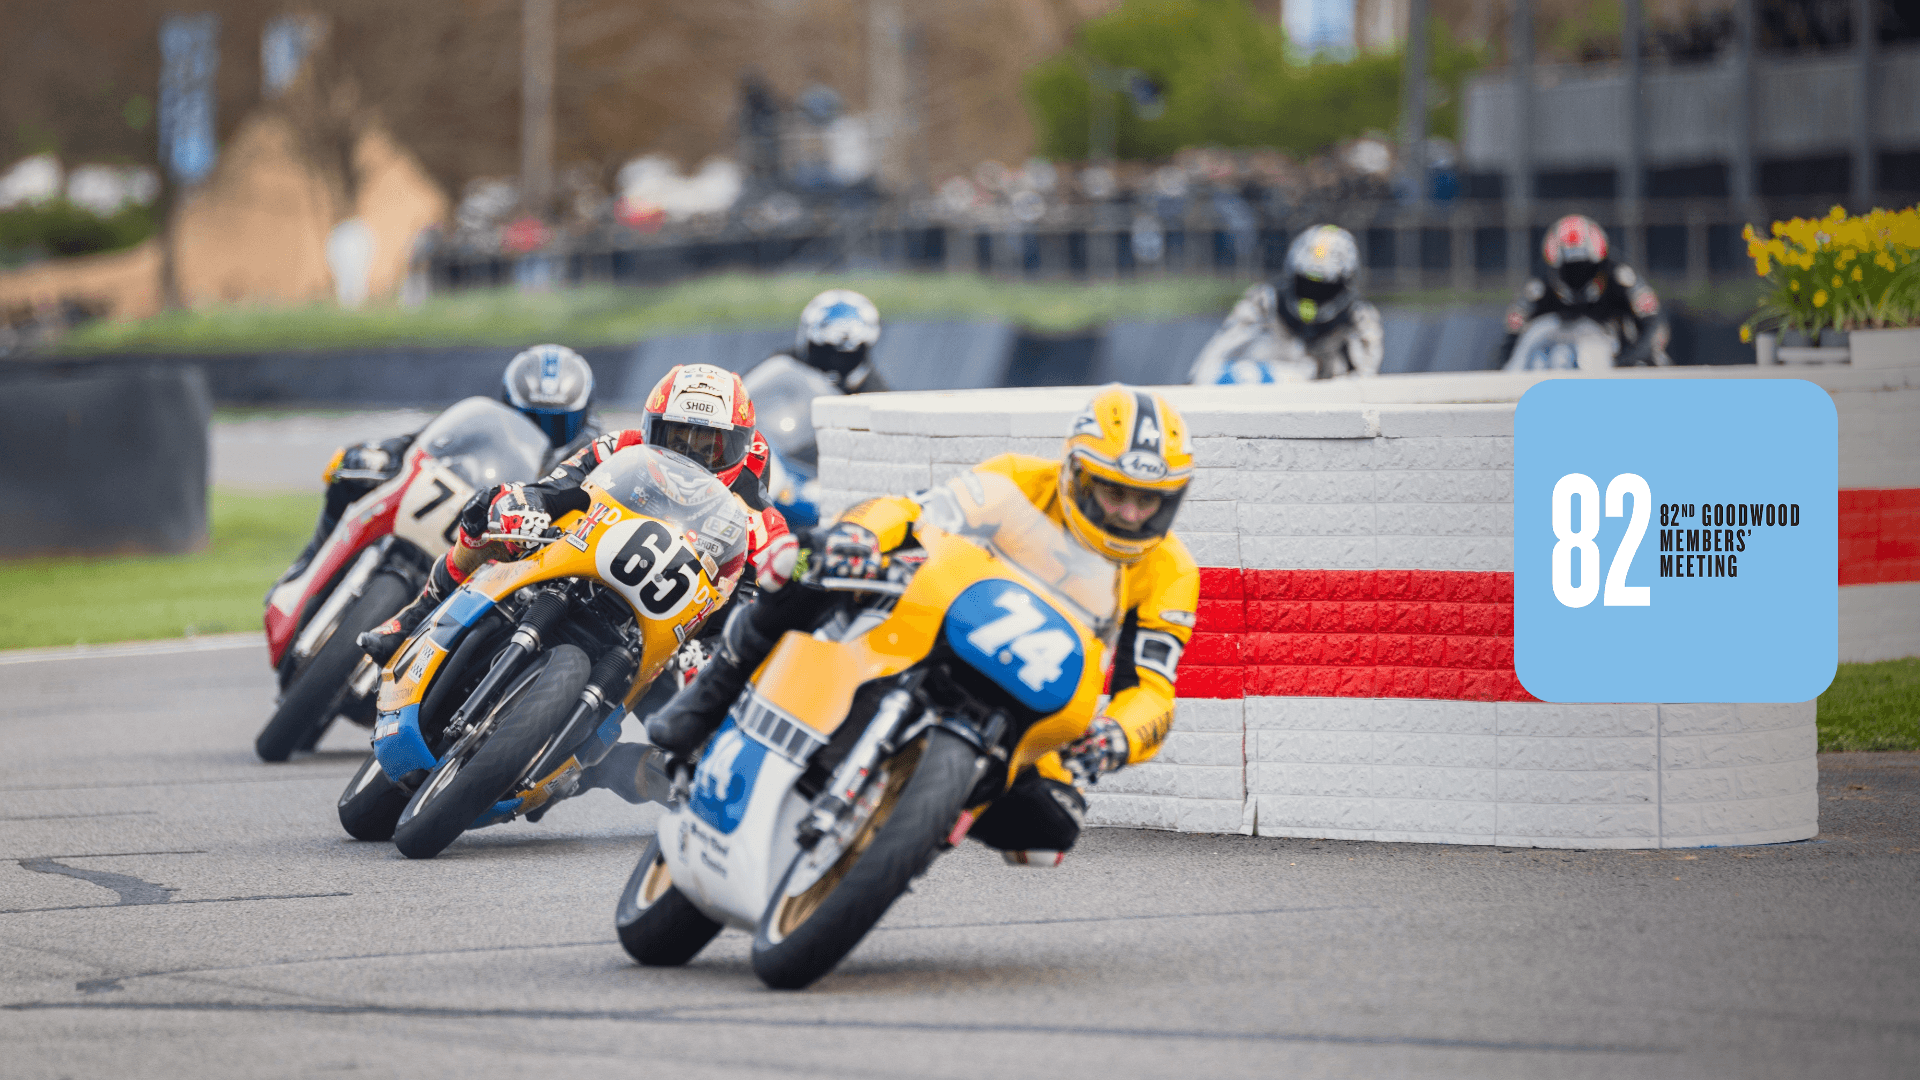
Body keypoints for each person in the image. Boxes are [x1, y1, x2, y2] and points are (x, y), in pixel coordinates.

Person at [647, 386, 1200, 864]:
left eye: (1148, 502)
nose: (1130, 514)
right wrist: (861, 538)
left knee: (1053, 828)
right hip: (937, 622)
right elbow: (916, 511)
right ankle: (708, 701)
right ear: (1076, 474)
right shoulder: (1019, 480)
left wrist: (1117, 735)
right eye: (1114, 492)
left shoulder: (1171, 570)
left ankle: (914, 835)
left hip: (1030, 695)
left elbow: (1152, 690)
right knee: (805, 561)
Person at [275, 344, 598, 589]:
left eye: (558, 424)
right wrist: (384, 453)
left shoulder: (592, 450)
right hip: (459, 503)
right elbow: (424, 441)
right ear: (508, 403)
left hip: (513, 546)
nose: (540, 432)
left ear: (583, 416)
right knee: (350, 473)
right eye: (530, 417)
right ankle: (306, 567)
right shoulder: (486, 422)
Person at [1189, 224, 1383, 384]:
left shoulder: (1360, 316)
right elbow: (1210, 362)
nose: (1313, 294)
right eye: (1306, 283)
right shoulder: (1264, 301)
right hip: (1267, 391)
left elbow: (1365, 382)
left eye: (1324, 287)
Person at [1499, 214, 1669, 367]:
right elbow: (1510, 336)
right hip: (1556, 369)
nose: (1577, 275)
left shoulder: (1620, 276)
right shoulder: (1540, 286)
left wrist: (1630, 360)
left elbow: (1653, 321)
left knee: (1655, 362)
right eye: (1570, 269)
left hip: (1615, 359)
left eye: (1584, 267)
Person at [779, 288, 887, 393]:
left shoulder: (875, 394)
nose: (836, 362)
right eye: (823, 351)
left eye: (846, 356)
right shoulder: (784, 368)